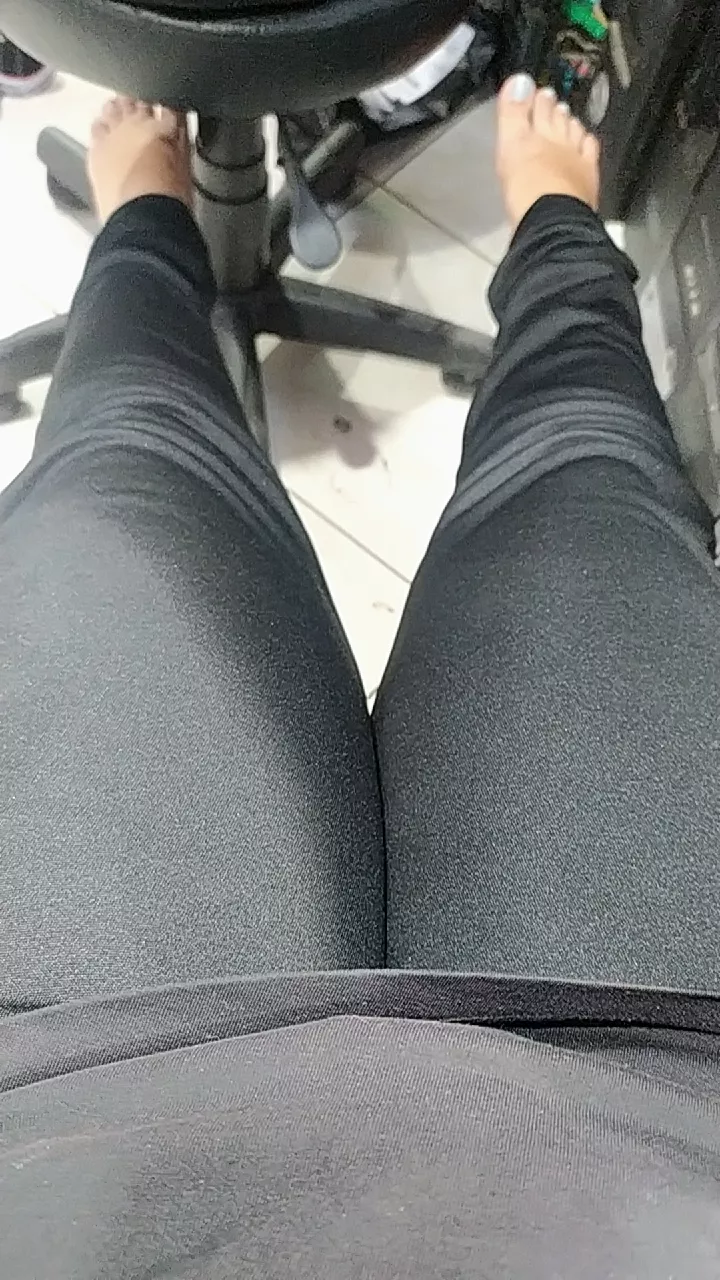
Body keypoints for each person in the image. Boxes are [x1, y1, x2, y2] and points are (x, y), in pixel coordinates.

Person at [1, 75, 720, 1277]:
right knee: (585, 454)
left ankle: (149, 220)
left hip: (65, 1110)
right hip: (668, 1118)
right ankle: (554, 227)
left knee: (124, 439)